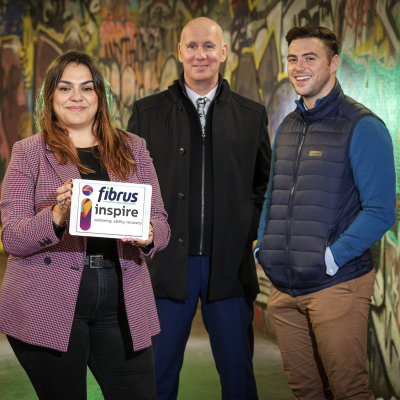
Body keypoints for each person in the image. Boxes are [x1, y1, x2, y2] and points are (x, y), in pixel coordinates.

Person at [0, 50, 170, 400]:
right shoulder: (28, 152)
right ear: (50, 97)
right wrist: (58, 215)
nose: (76, 97)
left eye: (86, 88)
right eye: (65, 88)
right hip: (48, 296)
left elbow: (162, 223)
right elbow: (12, 237)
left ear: (100, 96)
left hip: (122, 294)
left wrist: (148, 234)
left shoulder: (132, 148)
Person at [127, 17, 271, 400]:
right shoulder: (146, 114)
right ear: (179, 52)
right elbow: (130, 185)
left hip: (229, 265)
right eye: (191, 46)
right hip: (166, 264)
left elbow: (264, 184)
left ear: (224, 52)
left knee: (239, 379)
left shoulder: (252, 114)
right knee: (156, 378)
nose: (200, 55)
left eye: (209, 46)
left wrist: (245, 225)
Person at [255, 26, 396, 399]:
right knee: (306, 391)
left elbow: (382, 212)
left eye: (310, 58)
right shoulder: (288, 125)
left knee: (348, 391)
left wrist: (331, 258)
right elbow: (273, 194)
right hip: (285, 291)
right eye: (292, 59)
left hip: (337, 286)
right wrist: (263, 247)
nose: (299, 67)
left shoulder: (362, 127)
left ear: (334, 63)